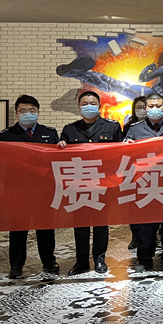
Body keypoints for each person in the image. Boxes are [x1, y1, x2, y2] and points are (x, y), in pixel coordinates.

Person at [58, 91, 123, 275]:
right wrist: (61, 146)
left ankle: (100, 259)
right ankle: (81, 261)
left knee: (101, 225)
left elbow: (121, 154)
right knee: (80, 225)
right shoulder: (70, 129)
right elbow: (62, 158)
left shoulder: (112, 127)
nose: (89, 106)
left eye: (92, 103)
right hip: (78, 185)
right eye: (85, 103)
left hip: (103, 183)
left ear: (99, 106)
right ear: (79, 107)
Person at [0, 95, 60, 279]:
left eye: (32, 110)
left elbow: (56, 160)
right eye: (23, 111)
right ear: (16, 114)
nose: (28, 114)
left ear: (38, 112)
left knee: (45, 227)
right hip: (17, 191)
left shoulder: (49, 133)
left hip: (43, 190)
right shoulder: (5, 135)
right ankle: (16, 264)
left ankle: (49, 261)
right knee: (18, 229)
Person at [124, 93, 163, 272]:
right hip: (145, 182)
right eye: (150, 106)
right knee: (146, 224)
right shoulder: (135, 129)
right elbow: (126, 154)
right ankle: (144, 258)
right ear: (145, 108)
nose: (154, 109)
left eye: (158, 106)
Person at [57, 40, 163, 100]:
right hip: (150, 95)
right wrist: (146, 70)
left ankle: (80, 73)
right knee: (117, 85)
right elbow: (142, 78)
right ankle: (80, 73)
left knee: (117, 86)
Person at [122, 94, 147, 249]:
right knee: (133, 205)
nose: (142, 110)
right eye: (138, 108)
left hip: (151, 170)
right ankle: (135, 236)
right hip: (133, 171)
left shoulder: (154, 125)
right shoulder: (128, 127)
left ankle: (151, 235)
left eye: (144, 107)